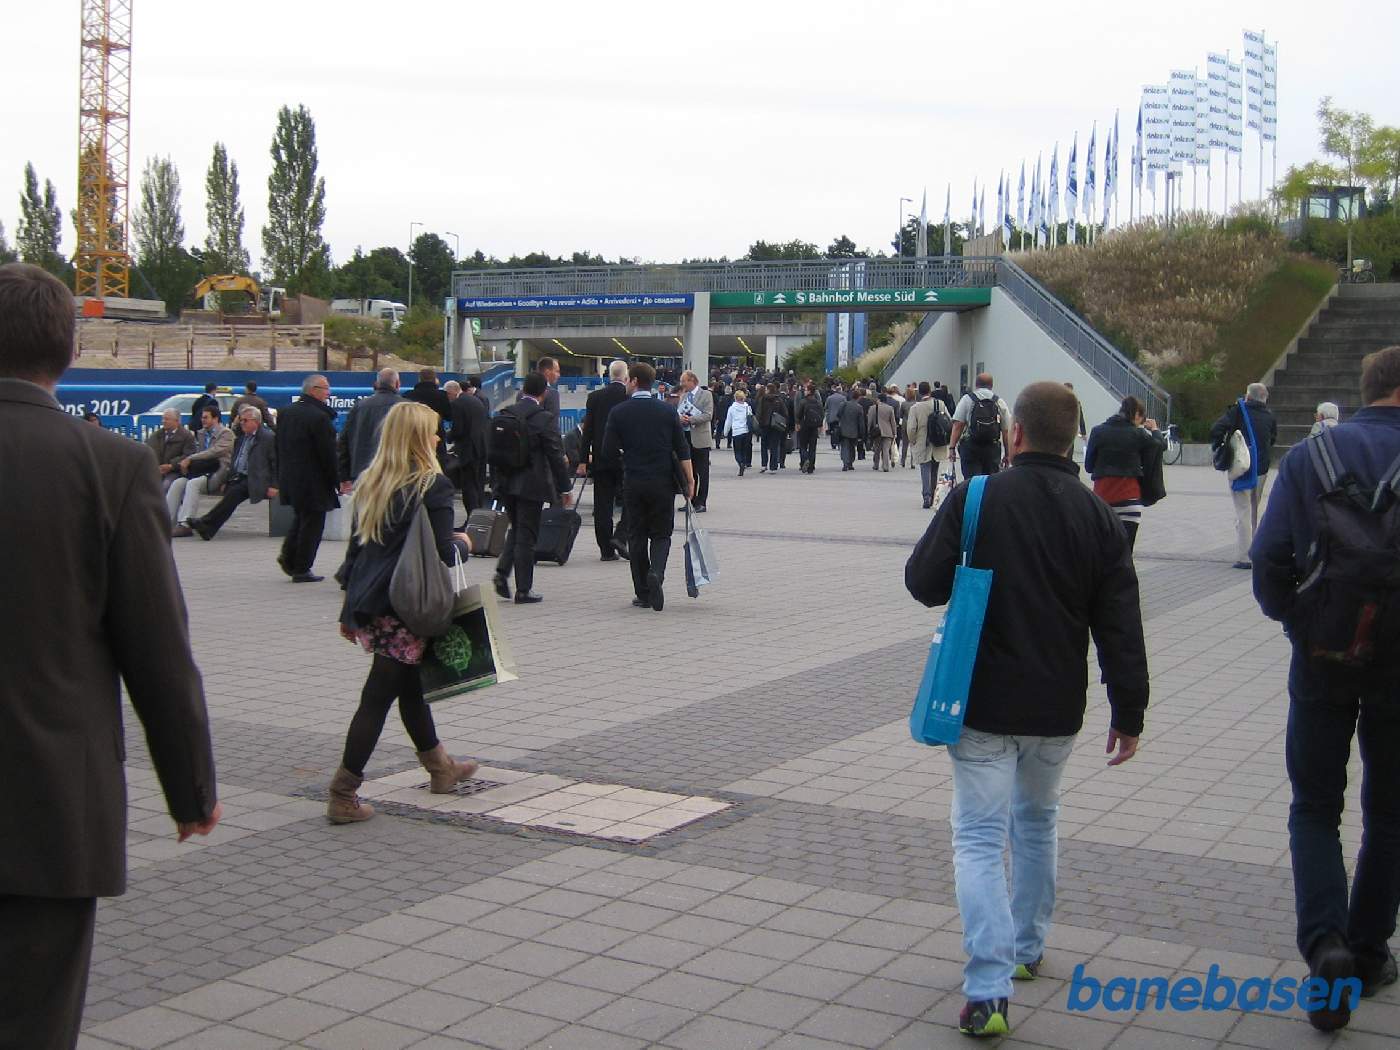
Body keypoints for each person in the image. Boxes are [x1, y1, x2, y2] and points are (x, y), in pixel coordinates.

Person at [0, 263, 219, 1049]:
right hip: (47, 804)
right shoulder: (110, 466)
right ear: (68, 349)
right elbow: (157, 649)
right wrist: (191, 790)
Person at [905, 381, 1148, 1039]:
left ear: (1015, 434)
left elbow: (920, 582)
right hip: (1057, 707)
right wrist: (1130, 711)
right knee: (1037, 822)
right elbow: (1120, 624)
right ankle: (1029, 948)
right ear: (1074, 439)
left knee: (980, 838)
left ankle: (988, 992)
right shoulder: (1096, 515)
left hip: (981, 701)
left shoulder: (977, 496)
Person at [1251, 346, 1400, 1032]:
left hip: (1322, 657)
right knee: (1391, 814)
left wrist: (1300, 625)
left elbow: (1268, 562)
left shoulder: (1313, 458)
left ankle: (1326, 945)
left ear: (1366, 390)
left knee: (1315, 806)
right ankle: (1369, 950)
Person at [330, 402, 479, 825]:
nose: (438, 439)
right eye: (433, 432)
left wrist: (349, 611)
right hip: (409, 609)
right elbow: (440, 552)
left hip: (375, 604)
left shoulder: (373, 481)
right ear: (418, 439)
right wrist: (468, 542)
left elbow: (357, 552)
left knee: (410, 688)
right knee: (376, 699)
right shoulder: (431, 485)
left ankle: (441, 768)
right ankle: (343, 792)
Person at [601, 362, 694, 612]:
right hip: (663, 482)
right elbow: (682, 448)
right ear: (652, 383)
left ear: (632, 381)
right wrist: (690, 480)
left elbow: (607, 451)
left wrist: (626, 457)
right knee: (662, 534)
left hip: (633, 482)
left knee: (637, 535)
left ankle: (642, 591)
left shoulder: (619, 412)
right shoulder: (666, 411)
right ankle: (657, 574)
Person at [491, 371, 573, 604]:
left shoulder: (505, 413)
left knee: (517, 530)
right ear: (544, 392)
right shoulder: (544, 418)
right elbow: (555, 455)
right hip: (531, 485)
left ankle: (501, 572)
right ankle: (523, 589)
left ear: (523, 389)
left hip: (506, 483)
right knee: (527, 536)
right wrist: (564, 488)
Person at [276, 375, 343, 582]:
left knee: (301, 518)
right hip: (314, 479)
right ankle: (302, 567)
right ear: (313, 390)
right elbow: (328, 454)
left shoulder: (286, 413)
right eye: (325, 389)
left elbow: (279, 446)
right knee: (313, 524)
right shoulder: (319, 418)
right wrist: (336, 480)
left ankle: (289, 557)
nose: (328, 393)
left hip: (291, 476)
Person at [180, 406, 279, 541]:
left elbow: (276, 463)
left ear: (256, 422)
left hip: (257, 479)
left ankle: (206, 524)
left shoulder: (267, 438)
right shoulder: (241, 438)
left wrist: (274, 485)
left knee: (235, 493)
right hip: (239, 477)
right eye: (241, 420)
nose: (241, 423)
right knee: (231, 493)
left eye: (245, 420)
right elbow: (234, 462)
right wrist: (226, 480)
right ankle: (207, 527)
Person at [1209, 382, 1278, 569]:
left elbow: (1216, 429)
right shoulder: (1270, 416)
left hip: (1242, 467)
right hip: (1261, 469)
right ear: (1264, 398)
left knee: (1243, 511)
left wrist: (1223, 447)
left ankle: (1245, 557)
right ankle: (1255, 549)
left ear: (1248, 396)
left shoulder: (1238, 411)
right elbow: (1272, 439)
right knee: (1253, 510)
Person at [1084, 396, 1165, 551]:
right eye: (1142, 420)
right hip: (1129, 502)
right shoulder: (1139, 435)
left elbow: (1088, 466)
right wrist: (1154, 429)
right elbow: (1159, 446)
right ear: (1136, 415)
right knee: (1125, 555)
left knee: (1101, 554)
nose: (1141, 424)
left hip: (1102, 502)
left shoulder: (1098, 431)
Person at [579, 360, 631, 559]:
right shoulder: (629, 396)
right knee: (630, 500)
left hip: (601, 458)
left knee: (602, 505)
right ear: (626, 377)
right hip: (625, 457)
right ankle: (621, 534)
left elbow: (588, 431)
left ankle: (606, 550)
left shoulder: (595, 397)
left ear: (609, 375)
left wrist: (583, 460)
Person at [166, 405, 234, 531]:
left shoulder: (226, 434)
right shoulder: (201, 433)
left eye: (205, 417)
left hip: (218, 472)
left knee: (193, 484)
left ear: (215, 419)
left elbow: (214, 452)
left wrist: (191, 458)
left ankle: (185, 524)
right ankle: (167, 522)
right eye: (202, 418)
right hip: (202, 470)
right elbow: (200, 454)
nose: (202, 420)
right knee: (178, 483)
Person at [338, 367, 403, 483]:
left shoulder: (359, 407)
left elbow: (344, 441)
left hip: (363, 473)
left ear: (376, 384)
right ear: (397, 384)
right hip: (397, 472)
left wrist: (344, 475)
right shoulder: (407, 408)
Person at [949, 373, 1012, 480]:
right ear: (991, 385)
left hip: (971, 447)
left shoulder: (967, 399)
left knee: (971, 481)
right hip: (991, 449)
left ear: (976, 385)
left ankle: (973, 496)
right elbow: (1006, 431)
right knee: (990, 482)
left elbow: (958, 426)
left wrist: (952, 448)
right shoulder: (999, 402)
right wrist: (1007, 454)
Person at [448, 372, 490, 517]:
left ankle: (471, 517)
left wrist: (449, 437)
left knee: (468, 486)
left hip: (468, 450)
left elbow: (458, 429)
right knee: (478, 484)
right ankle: (478, 515)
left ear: (452, 392)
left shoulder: (457, 404)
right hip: (481, 447)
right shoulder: (475, 400)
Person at [905, 382, 952, 508]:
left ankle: (926, 496)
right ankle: (933, 493)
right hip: (938, 442)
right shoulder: (940, 404)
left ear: (919, 392)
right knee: (935, 469)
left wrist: (912, 440)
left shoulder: (915, 408)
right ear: (930, 391)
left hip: (923, 442)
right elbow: (949, 420)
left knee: (925, 469)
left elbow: (911, 428)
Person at [677, 370, 714, 511]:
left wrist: (691, 419)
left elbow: (708, 415)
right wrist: (680, 419)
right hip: (685, 437)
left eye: (684, 381)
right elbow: (679, 412)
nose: (682, 384)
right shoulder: (683, 396)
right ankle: (690, 501)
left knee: (702, 472)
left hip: (700, 438)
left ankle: (702, 502)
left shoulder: (706, 395)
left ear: (692, 380)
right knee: (689, 472)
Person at [146, 407, 195, 492]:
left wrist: (171, 466)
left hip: (175, 471)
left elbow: (188, 455)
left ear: (177, 421)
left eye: (167, 419)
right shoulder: (156, 435)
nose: (163, 421)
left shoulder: (187, 436)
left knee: (165, 486)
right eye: (163, 419)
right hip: (157, 470)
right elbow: (148, 452)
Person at [756, 383, 789, 474]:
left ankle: (764, 465)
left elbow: (758, 413)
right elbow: (785, 413)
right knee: (774, 446)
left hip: (764, 425)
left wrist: (760, 422)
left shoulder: (763, 399)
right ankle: (773, 466)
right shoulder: (779, 400)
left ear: (768, 390)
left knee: (764, 446)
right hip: (775, 426)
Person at [723, 388, 755, 475]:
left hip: (737, 432)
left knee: (737, 451)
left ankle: (740, 462)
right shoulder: (747, 407)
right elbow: (750, 419)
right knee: (744, 450)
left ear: (735, 398)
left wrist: (725, 432)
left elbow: (728, 421)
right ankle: (743, 463)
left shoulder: (732, 408)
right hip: (746, 431)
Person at [795, 380, 824, 473]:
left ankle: (805, 458)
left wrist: (798, 423)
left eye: (806, 390)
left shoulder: (803, 402)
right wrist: (820, 425)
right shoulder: (818, 402)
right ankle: (811, 466)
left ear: (809, 391)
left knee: (803, 446)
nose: (804, 391)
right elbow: (822, 414)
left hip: (804, 426)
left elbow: (798, 414)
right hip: (814, 427)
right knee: (812, 447)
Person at [867, 391, 897, 471]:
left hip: (877, 431)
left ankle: (876, 465)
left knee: (877, 449)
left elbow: (869, 421)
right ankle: (886, 466)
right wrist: (894, 432)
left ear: (878, 399)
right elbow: (893, 422)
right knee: (886, 449)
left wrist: (868, 430)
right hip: (888, 432)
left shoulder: (872, 408)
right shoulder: (890, 408)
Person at [837, 390, 867, 471]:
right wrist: (862, 433)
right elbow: (861, 422)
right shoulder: (859, 407)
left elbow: (838, 414)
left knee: (845, 447)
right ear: (858, 397)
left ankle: (845, 462)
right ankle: (850, 463)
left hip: (844, 429)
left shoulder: (843, 404)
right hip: (854, 431)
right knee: (852, 447)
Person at [825, 384, 847, 450]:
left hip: (831, 417)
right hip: (840, 417)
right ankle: (839, 442)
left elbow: (826, 407)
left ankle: (833, 444)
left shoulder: (829, 398)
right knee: (840, 430)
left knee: (832, 431)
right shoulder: (843, 398)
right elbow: (845, 407)